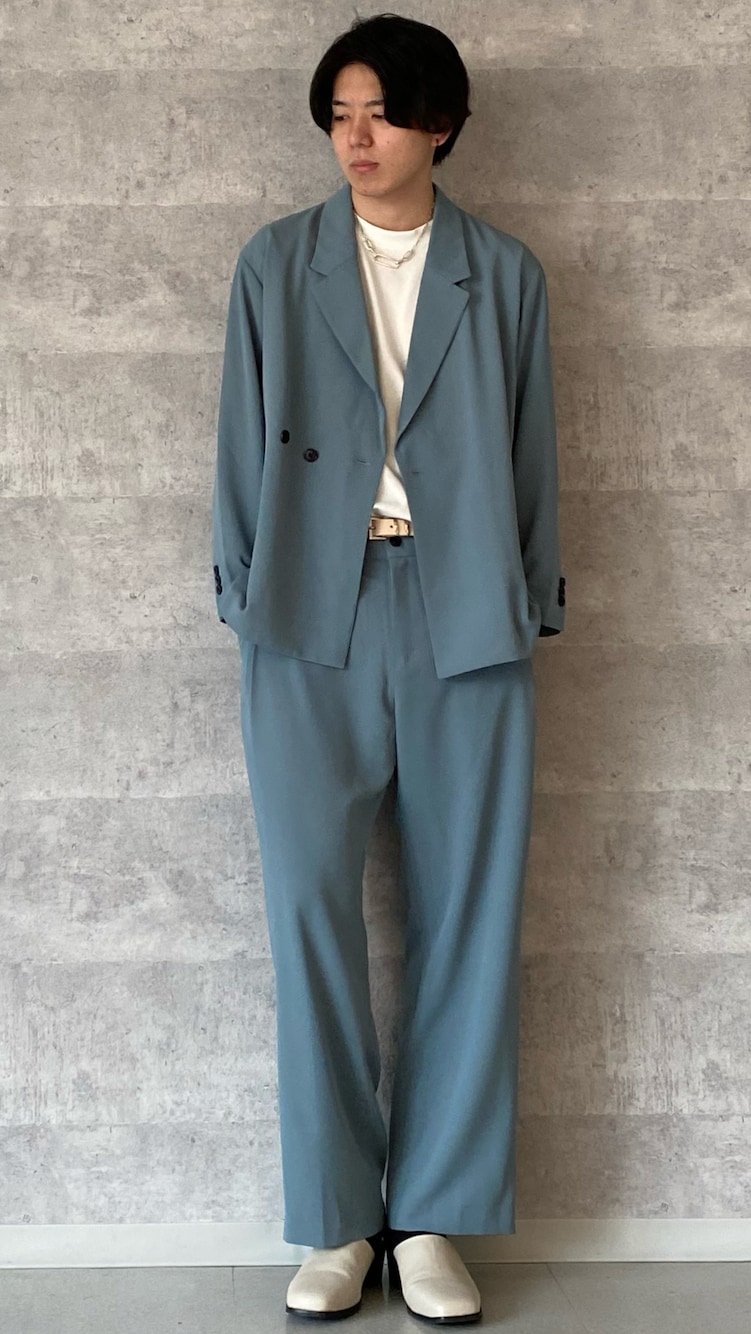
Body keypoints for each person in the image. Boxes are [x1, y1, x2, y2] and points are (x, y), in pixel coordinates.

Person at [212, 11, 565, 1324]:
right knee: (309, 908)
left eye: (382, 113)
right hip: (312, 606)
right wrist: (245, 590)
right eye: (340, 114)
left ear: (441, 125)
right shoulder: (276, 263)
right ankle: (336, 1220)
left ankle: (430, 1218)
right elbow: (240, 439)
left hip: (467, 608)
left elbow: (530, 450)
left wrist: (530, 599)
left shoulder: (504, 273)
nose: (356, 138)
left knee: (470, 911)